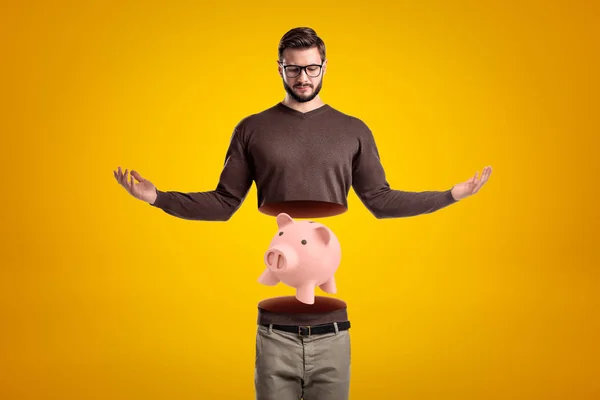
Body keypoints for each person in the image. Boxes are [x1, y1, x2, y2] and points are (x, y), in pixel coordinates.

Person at [114, 27, 491, 400]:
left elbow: (381, 200)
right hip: (278, 299)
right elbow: (224, 203)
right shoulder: (252, 128)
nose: (303, 77)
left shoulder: (353, 130)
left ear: (325, 66)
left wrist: (451, 195)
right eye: (293, 69)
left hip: (329, 303)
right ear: (279, 69)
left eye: (311, 68)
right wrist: (156, 197)